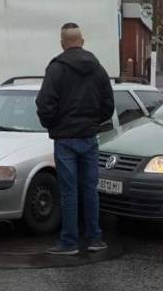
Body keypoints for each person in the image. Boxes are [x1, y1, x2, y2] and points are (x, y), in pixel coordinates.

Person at [36, 23, 114, 255]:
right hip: (89, 137)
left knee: (69, 192)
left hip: (65, 139)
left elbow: (44, 103)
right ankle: (94, 238)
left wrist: (53, 125)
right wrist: (94, 123)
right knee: (90, 189)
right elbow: (108, 104)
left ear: (62, 43)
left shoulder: (56, 69)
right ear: (82, 40)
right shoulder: (98, 68)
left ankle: (69, 242)